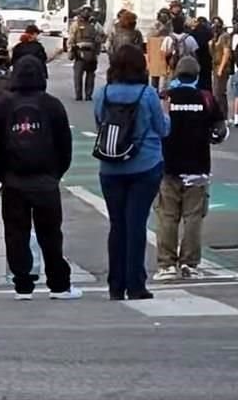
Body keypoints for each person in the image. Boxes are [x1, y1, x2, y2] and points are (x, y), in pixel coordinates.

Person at [0, 56, 79, 300]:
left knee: (16, 233)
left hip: (13, 180)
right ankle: (58, 283)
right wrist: (55, 173)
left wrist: (0, 173)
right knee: (50, 234)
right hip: (45, 181)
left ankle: (22, 283)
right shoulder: (52, 105)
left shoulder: (4, 106)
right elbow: (64, 145)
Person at [94, 45, 171, 300]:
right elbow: (162, 129)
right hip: (145, 164)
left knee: (117, 224)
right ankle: (136, 283)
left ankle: (115, 285)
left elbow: (100, 124)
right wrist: (167, 113)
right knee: (136, 223)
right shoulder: (147, 94)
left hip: (110, 166)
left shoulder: (103, 93)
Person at [154, 56, 227, 281]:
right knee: (193, 217)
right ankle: (190, 263)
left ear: (176, 73)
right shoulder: (206, 98)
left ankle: (166, 264)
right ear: (197, 75)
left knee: (167, 216)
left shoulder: (165, 97)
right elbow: (220, 130)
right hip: (198, 165)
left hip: (168, 165)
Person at [67, 6, 102, 101]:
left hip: (83, 53)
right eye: (85, 11)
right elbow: (101, 37)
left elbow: (71, 38)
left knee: (80, 75)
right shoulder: (95, 25)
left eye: (88, 11)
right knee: (87, 75)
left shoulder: (77, 24)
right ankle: (86, 95)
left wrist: (70, 51)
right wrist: (97, 51)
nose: (86, 13)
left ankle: (81, 95)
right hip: (86, 53)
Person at [210, 16, 233, 117]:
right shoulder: (214, 37)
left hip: (222, 66)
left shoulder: (224, 36)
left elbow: (226, 53)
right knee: (216, 92)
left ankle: (223, 115)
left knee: (220, 92)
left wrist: (221, 68)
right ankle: (218, 114)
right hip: (215, 66)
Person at [147, 8, 172, 90]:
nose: (164, 17)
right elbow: (150, 36)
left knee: (167, 75)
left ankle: (165, 91)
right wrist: (160, 29)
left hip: (167, 51)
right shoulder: (155, 25)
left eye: (166, 15)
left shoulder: (171, 25)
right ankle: (154, 90)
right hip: (156, 52)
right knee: (155, 75)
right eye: (162, 15)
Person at [190, 16, 214, 92]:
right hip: (207, 57)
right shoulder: (209, 32)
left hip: (196, 56)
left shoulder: (193, 32)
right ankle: (207, 92)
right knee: (207, 77)